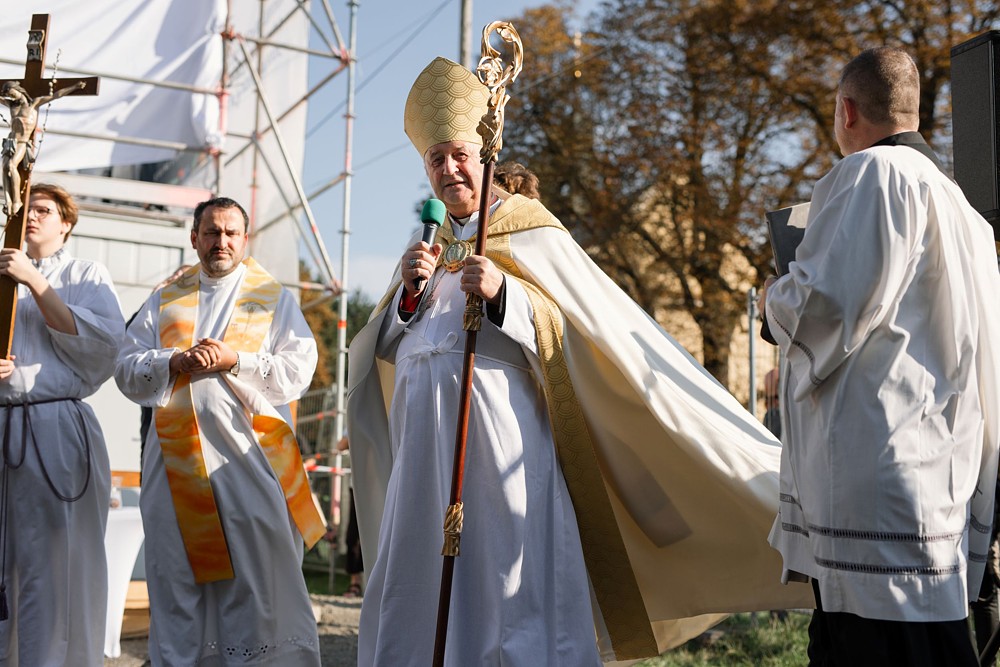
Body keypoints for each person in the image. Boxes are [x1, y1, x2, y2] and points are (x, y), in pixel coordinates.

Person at [348, 56, 813, 666]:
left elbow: (578, 331)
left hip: (500, 445)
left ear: (483, 157)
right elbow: (378, 350)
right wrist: (408, 298)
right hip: (422, 457)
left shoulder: (532, 234)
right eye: (435, 159)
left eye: (459, 154)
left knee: (504, 579)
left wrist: (505, 296)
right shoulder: (427, 250)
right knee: (421, 580)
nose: (448, 169)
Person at [759, 47, 1000, 666]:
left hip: (878, 478)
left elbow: (828, 306)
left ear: (846, 111)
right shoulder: (963, 208)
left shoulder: (872, 176)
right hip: (935, 472)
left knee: (876, 648)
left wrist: (772, 298)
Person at [115, 196, 326, 666]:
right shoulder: (165, 298)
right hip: (175, 469)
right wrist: (173, 360)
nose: (221, 241)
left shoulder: (269, 296)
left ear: (245, 239)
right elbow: (125, 368)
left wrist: (237, 361)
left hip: (247, 464)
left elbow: (298, 369)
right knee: (178, 580)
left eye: (231, 232)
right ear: (194, 238)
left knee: (254, 583)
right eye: (211, 232)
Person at [0, 182, 124, 665]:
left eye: (44, 210)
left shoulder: (84, 273)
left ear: (66, 224)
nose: (32, 216)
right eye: (26, 208)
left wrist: (34, 280)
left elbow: (103, 347)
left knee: (52, 561)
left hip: (53, 423)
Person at [1, 81, 86, 216]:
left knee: (11, 166)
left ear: (19, 90)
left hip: (22, 142)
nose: (12, 97)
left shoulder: (34, 103)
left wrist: (75, 87)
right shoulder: (12, 105)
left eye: (12, 94)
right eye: (9, 95)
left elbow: (57, 95)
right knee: (4, 169)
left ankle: (17, 200)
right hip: (10, 142)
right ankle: (8, 201)